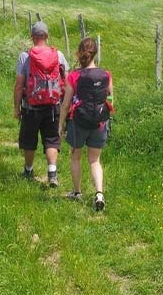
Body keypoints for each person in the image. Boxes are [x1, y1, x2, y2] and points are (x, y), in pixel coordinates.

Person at [58, 37, 113, 211]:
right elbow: (110, 98)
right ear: (95, 52)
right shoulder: (106, 74)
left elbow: (66, 104)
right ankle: (99, 193)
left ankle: (77, 192)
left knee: (75, 157)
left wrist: (61, 124)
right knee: (95, 160)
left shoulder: (74, 75)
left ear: (79, 52)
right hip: (99, 122)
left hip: (78, 121)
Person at [14, 21, 68, 187]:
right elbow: (66, 81)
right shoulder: (58, 55)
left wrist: (16, 108)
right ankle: (52, 173)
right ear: (47, 36)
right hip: (53, 106)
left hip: (31, 107)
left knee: (29, 140)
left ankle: (29, 170)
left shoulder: (25, 57)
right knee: (51, 139)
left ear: (32, 37)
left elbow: (18, 85)